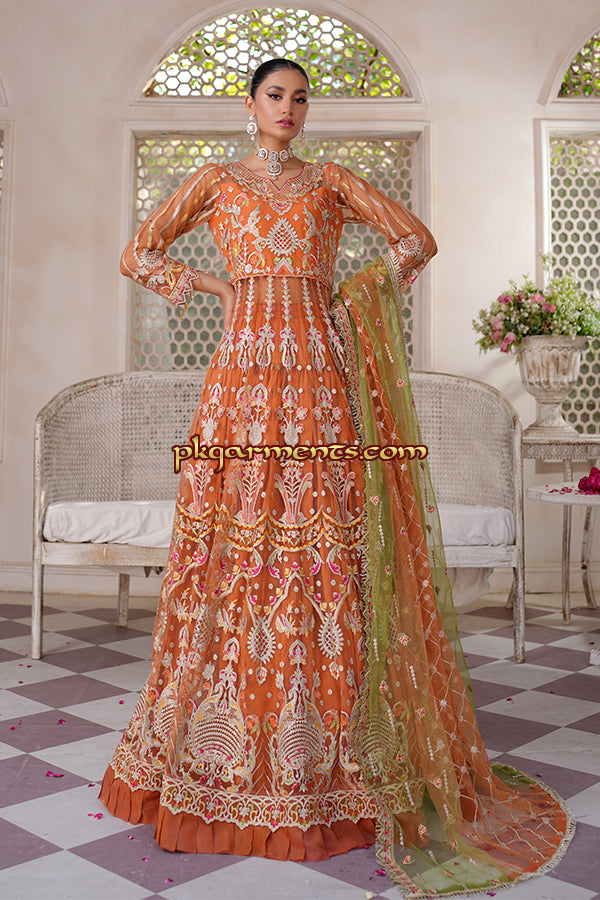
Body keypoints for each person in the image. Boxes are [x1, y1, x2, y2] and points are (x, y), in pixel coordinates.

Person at [100, 58, 573, 897]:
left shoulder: (331, 181)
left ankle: (335, 761)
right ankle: (221, 750)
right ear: (250, 105)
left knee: (322, 549)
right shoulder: (214, 181)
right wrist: (213, 284)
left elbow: (415, 240)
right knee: (234, 546)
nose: (288, 108)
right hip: (242, 378)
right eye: (274, 96)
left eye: (299, 98)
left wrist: (353, 294)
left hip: (321, 374)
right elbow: (138, 253)